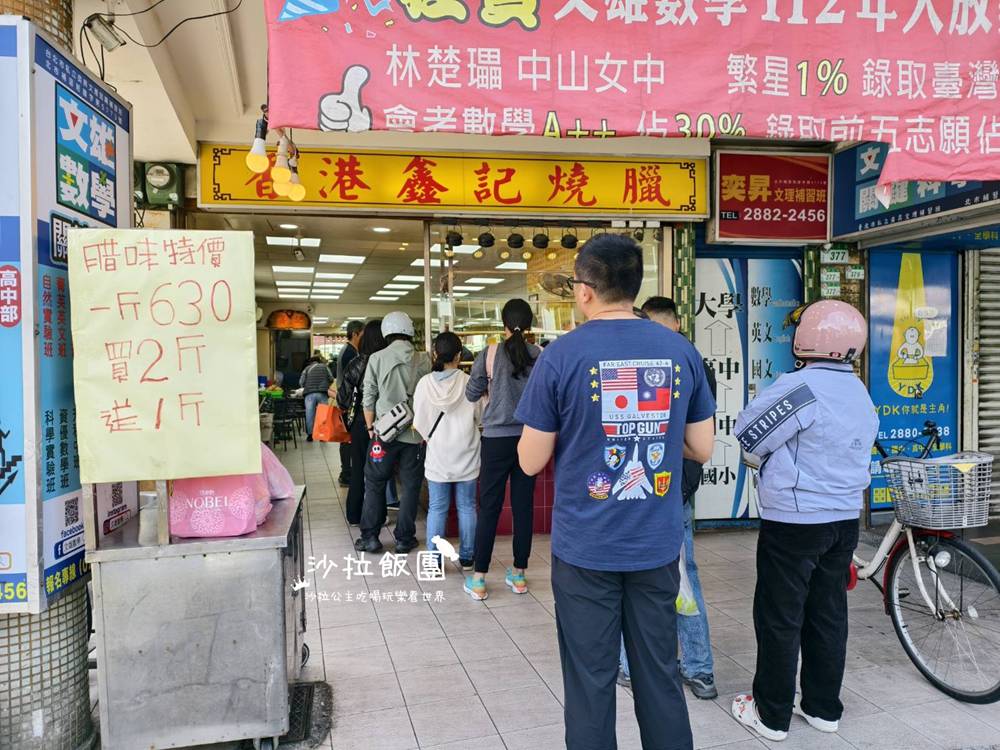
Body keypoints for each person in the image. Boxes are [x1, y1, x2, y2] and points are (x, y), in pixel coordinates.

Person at [515, 234, 715, 750]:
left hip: (585, 549)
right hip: (655, 545)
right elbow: (703, 446)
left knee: (590, 682)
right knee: (659, 676)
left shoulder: (560, 356)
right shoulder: (680, 350)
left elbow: (531, 459)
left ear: (584, 291)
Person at [730, 300, 877, 742]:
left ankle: (771, 715)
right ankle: (823, 708)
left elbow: (749, 436)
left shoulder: (800, 388)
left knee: (779, 615)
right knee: (828, 612)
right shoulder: (860, 391)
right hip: (844, 519)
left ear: (805, 339)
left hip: (795, 520)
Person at [617, 296, 719, 700]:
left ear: (671, 325)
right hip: (674, 486)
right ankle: (699, 669)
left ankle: (648, 665)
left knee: (647, 576)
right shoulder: (693, 361)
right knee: (681, 576)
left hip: (655, 486)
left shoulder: (667, 362)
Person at [464, 299, 540, 601]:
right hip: (530, 438)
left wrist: (490, 391)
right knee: (524, 507)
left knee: (490, 507)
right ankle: (519, 576)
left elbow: (471, 393)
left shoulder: (491, 353)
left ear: (503, 323)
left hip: (495, 440)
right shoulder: (540, 355)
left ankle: (479, 579)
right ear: (531, 323)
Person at [354, 312, 431, 554]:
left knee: (375, 483)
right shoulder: (425, 359)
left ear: (387, 332)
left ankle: (370, 537)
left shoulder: (377, 358)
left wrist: (370, 428)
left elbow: (369, 397)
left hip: (383, 433)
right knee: (410, 486)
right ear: (409, 331)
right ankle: (404, 539)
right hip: (415, 433)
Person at [413, 332, 481, 570]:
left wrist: (433, 438)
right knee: (467, 507)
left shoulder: (424, 384)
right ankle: (468, 556)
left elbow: (419, 422)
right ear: (459, 355)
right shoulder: (469, 382)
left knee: (437, 509)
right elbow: (480, 415)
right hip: (467, 454)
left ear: (434, 354)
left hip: (438, 456)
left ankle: (434, 561)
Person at [338, 320, 385, 526]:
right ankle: (377, 515)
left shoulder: (357, 363)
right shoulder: (385, 362)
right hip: (384, 423)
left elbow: (343, 398)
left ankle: (354, 514)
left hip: (359, 423)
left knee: (357, 468)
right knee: (380, 471)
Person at [337, 320, 365, 487]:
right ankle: (346, 473)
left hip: (346, 401)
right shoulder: (349, 353)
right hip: (348, 402)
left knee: (347, 439)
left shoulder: (349, 350)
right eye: (362, 335)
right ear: (355, 334)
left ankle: (346, 472)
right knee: (347, 440)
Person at [300, 355, 333, 442]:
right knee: (323, 414)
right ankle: (322, 436)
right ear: (319, 361)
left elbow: (301, 382)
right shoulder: (325, 367)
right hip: (322, 393)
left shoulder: (307, 369)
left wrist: (307, 385)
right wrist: (326, 385)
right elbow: (331, 378)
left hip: (309, 394)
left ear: (311, 362)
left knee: (310, 414)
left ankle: (310, 435)